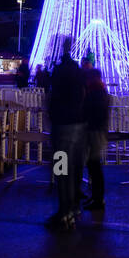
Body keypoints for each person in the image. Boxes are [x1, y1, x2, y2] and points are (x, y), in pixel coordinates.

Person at [45, 37, 85, 230]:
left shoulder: (59, 71)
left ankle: (64, 213)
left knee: (61, 171)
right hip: (79, 129)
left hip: (62, 129)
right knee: (76, 169)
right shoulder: (78, 71)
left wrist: (52, 116)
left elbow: (53, 98)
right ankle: (75, 208)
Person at [79, 53, 109, 211]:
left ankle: (99, 199)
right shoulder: (98, 92)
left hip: (96, 132)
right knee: (92, 166)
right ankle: (96, 197)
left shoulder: (98, 93)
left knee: (95, 166)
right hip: (95, 131)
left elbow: (94, 112)